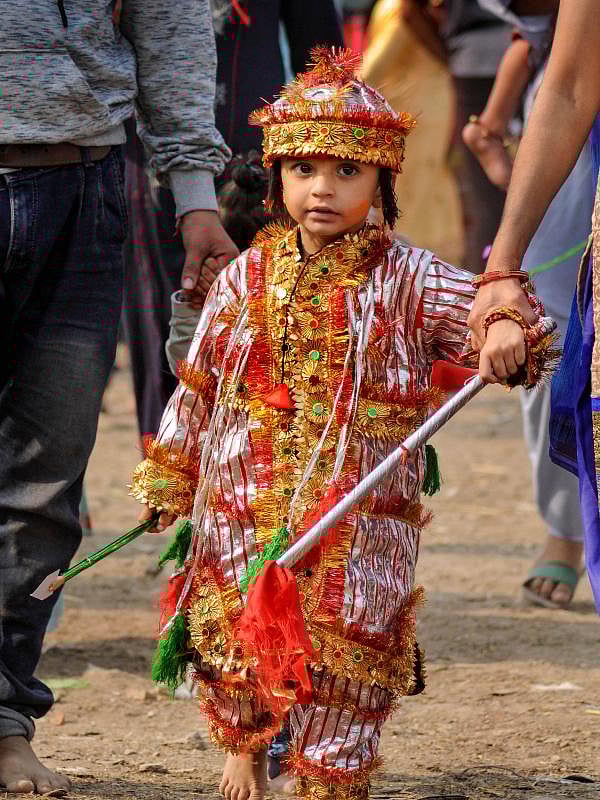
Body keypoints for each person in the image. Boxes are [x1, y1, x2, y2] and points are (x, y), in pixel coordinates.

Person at [129, 48, 551, 800]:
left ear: (381, 181)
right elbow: (198, 388)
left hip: (360, 516)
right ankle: (246, 744)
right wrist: (172, 474)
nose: (322, 188)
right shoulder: (243, 278)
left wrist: (506, 330)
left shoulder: (409, 276)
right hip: (241, 504)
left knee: (349, 651)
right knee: (233, 631)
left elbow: (489, 314)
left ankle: (332, 777)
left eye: (346, 172)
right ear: (277, 178)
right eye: (303, 170)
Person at [0, 1, 236, 794]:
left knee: (44, 482)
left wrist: (195, 195)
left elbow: (169, 22)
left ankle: (4, 723)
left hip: (86, 184)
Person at [122, 0, 344, 440]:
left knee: (275, 321)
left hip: (260, 159)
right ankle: (171, 472)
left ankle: (270, 467)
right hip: (151, 154)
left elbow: (323, 58)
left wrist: (332, 158)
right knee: (167, 318)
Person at [467, 0, 600, 610]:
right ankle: (564, 526)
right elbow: (568, 87)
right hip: (578, 146)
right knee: (551, 326)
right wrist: (503, 266)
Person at [361, 0, 463, 265]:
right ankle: (430, 259)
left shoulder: (401, 8)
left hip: (414, 118)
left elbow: (373, 69)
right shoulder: (404, 9)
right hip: (424, 113)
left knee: (414, 187)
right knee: (425, 184)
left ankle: (416, 261)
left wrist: (342, 93)